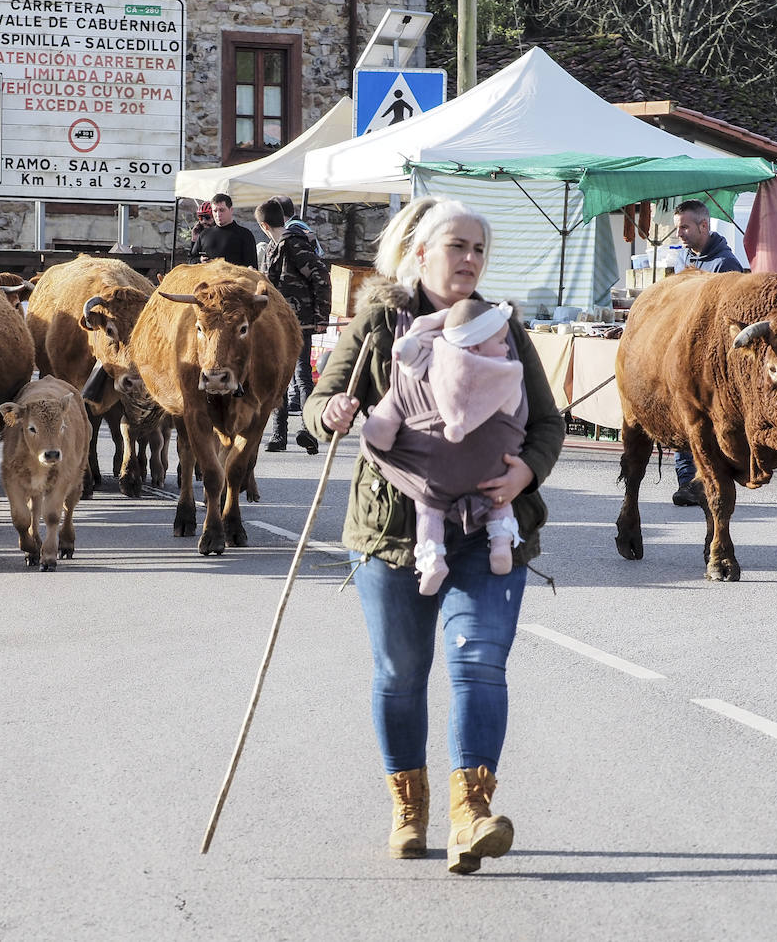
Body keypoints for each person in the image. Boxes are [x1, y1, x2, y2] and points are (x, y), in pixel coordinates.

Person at [302, 198, 563, 875]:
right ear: (420, 252)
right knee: (400, 674)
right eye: (457, 246)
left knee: (478, 660)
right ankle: (408, 809)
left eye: (479, 248)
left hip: (486, 528)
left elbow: (547, 425)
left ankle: (470, 815)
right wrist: (328, 412)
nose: (471, 260)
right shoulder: (380, 321)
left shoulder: (502, 325)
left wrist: (526, 474)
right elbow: (316, 405)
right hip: (393, 529)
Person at [360, 298, 526, 595]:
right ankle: (501, 545)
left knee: (428, 509)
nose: (505, 347)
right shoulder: (506, 372)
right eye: (500, 342)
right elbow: (516, 415)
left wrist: (373, 432)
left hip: (435, 472)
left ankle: (432, 558)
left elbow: (386, 421)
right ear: (475, 346)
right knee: (500, 500)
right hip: (489, 467)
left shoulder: (430, 364)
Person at [670, 199, 743, 506]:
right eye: (677, 228)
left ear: (704, 225)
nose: (680, 235)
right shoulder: (681, 260)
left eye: (684, 227)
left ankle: (703, 479)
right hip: (682, 356)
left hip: (711, 363)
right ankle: (687, 481)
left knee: (704, 423)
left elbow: (732, 321)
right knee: (681, 417)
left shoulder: (727, 266)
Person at [256, 198, 328, 454]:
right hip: (277, 323)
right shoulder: (273, 249)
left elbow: (321, 278)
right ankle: (279, 434)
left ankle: (309, 430)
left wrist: (321, 318)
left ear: (264, 225)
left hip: (300, 322)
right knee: (280, 378)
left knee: (301, 375)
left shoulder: (294, 245)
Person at [188, 193, 257, 269]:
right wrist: (200, 260)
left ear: (231, 210)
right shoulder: (204, 234)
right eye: (215, 211)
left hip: (233, 279)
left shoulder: (245, 235)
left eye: (222, 210)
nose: (218, 214)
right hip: (208, 279)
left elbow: (252, 267)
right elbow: (191, 260)